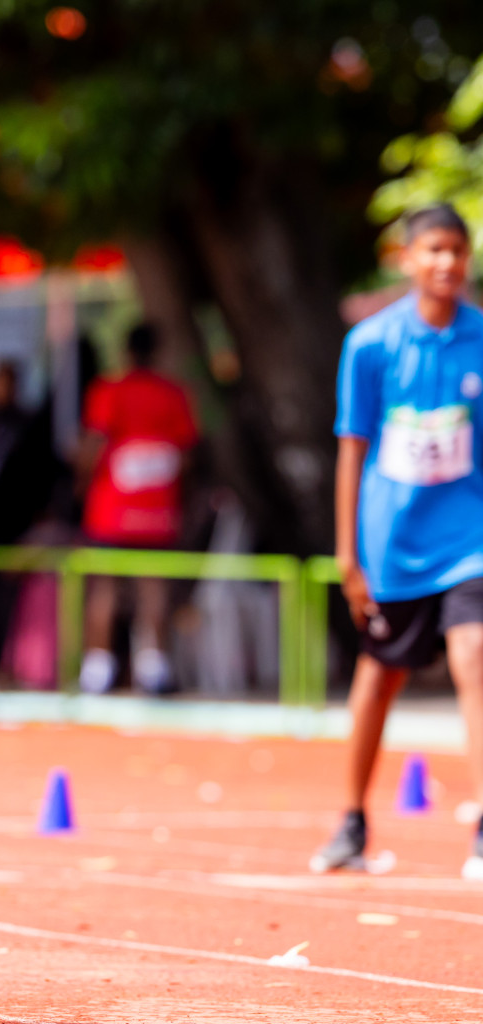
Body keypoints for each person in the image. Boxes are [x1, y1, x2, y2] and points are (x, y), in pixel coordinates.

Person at [313, 203, 483, 879]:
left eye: (458, 252)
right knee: (380, 677)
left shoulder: (481, 339)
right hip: (393, 543)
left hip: (469, 538)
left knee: (476, 655)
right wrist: (347, 553)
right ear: (408, 258)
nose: (447, 263)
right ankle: (351, 821)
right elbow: (351, 450)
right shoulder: (372, 345)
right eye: (434, 250)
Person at [77, 323, 197, 695]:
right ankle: (154, 670)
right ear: (158, 352)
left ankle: (96, 672)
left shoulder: (109, 390)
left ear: (126, 352)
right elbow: (188, 453)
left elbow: (94, 444)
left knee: (105, 589)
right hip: (157, 511)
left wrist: (81, 482)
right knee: (154, 588)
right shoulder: (174, 394)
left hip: (111, 509)